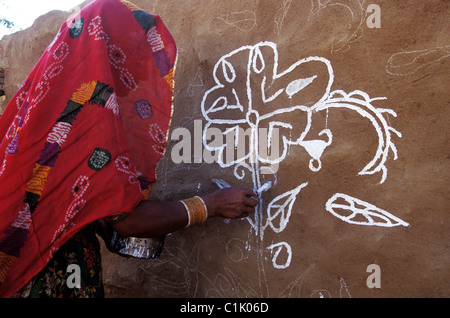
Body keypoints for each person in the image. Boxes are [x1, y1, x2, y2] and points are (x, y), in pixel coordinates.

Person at [0, 0, 257, 298]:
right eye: (131, 54)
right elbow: (126, 220)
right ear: (108, 49)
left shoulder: (36, 104)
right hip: (42, 278)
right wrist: (212, 205)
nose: (140, 72)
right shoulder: (91, 107)